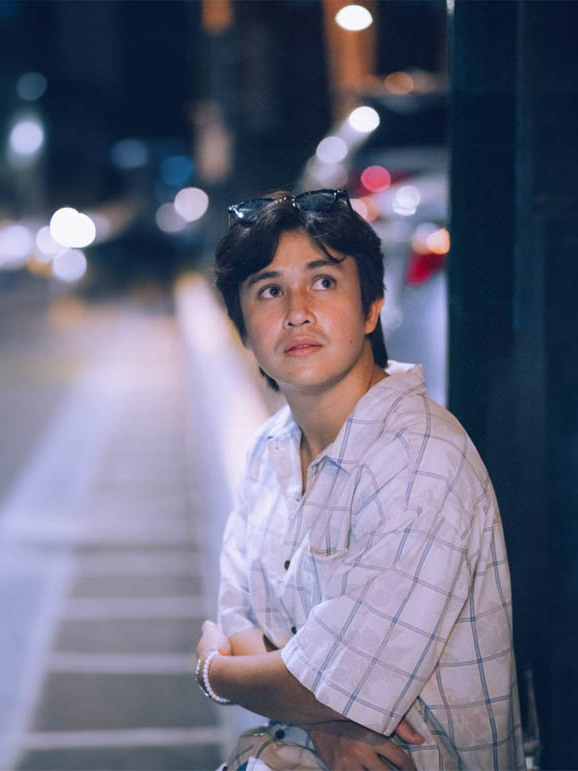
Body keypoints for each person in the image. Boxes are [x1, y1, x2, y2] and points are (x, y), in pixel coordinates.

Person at [195, 189, 524, 770]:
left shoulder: (420, 462)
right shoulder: (268, 450)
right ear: (243, 328)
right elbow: (240, 620)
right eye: (269, 290)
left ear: (372, 309)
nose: (297, 311)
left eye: (323, 282)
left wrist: (215, 673)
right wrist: (319, 723)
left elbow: (321, 686)